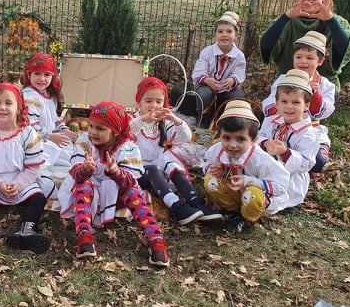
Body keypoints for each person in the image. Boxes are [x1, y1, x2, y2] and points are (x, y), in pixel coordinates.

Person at [57, 101, 170, 266]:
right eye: (91, 126)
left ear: (116, 132)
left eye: (100, 129)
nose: (93, 132)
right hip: (90, 192)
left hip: (116, 193)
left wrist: (116, 172)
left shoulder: (128, 147)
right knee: (82, 186)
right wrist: (85, 169)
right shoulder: (85, 141)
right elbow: (75, 173)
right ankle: (84, 234)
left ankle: (155, 239)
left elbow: (130, 180)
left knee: (133, 192)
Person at [0, 82, 51, 254]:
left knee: (39, 198)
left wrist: (18, 185)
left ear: (19, 108)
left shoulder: (28, 134)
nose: (2, 107)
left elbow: (32, 167)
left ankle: (28, 228)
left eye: (8, 103)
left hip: (21, 178)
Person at [131, 77, 221, 226]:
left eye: (159, 102)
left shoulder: (162, 123)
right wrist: (144, 118)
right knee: (153, 168)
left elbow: (184, 138)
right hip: (136, 171)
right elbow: (124, 133)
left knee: (168, 158)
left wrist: (175, 119)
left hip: (158, 171)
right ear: (139, 101)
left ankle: (195, 201)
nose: (154, 105)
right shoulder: (133, 120)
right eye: (148, 101)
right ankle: (177, 206)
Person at [203, 100, 290, 233]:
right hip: (233, 192)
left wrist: (249, 180)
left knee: (252, 195)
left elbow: (281, 186)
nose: (232, 145)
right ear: (220, 136)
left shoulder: (260, 159)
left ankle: (247, 217)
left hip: (254, 196)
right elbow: (206, 166)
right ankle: (231, 211)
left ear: (253, 140)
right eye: (226, 138)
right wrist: (217, 169)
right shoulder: (217, 150)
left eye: (241, 139)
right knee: (211, 180)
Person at [259, 0, 350, 91]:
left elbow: (346, 48)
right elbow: (266, 47)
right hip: (287, 84)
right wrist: (286, 17)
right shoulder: (285, 21)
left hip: (324, 88)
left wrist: (330, 20)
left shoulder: (338, 22)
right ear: (295, 0)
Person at [262, 31, 336, 174]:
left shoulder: (326, 85)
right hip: (280, 125)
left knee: (318, 163)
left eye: (309, 58)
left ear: (320, 61)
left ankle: (311, 157)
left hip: (308, 131)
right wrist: (281, 110)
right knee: (268, 148)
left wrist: (315, 93)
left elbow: (322, 112)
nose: (303, 61)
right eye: (298, 57)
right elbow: (270, 102)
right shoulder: (283, 79)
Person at [258, 70, 319, 212]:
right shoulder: (270, 121)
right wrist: (265, 142)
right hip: (265, 167)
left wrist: (285, 152)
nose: (289, 107)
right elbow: (258, 136)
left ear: (306, 105)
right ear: (276, 104)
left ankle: (267, 202)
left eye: (296, 102)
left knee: (277, 194)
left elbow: (306, 163)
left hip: (290, 177)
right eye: (284, 102)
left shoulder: (308, 133)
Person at [21, 52, 75, 201]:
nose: (42, 79)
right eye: (37, 74)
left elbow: (54, 119)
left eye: (46, 74)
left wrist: (63, 129)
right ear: (29, 74)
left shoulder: (49, 95)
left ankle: (68, 179)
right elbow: (29, 125)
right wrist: (50, 136)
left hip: (50, 140)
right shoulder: (30, 96)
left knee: (70, 154)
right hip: (34, 142)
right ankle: (48, 185)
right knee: (43, 163)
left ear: (53, 77)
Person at [191, 10, 246, 126]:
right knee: (204, 94)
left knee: (238, 95)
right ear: (215, 34)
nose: (224, 34)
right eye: (220, 31)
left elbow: (240, 72)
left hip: (226, 88)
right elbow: (199, 70)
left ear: (236, 36)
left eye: (229, 31)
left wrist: (233, 80)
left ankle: (225, 119)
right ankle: (202, 117)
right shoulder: (207, 52)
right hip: (207, 86)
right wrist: (206, 80)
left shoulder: (239, 56)